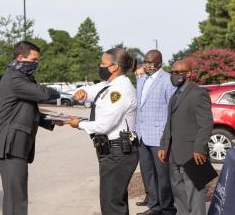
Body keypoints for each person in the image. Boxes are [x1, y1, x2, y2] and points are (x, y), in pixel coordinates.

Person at [66, 48, 139, 215]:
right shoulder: (109, 85)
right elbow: (92, 92)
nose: (100, 66)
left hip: (118, 151)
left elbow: (103, 125)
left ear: (114, 67)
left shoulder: (119, 91)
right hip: (113, 151)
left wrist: (79, 123)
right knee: (114, 201)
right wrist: (82, 94)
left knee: (111, 205)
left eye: (102, 63)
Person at [0, 41, 60, 215]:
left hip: (15, 146)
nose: (36, 64)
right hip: (10, 146)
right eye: (33, 59)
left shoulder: (20, 77)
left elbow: (26, 111)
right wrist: (60, 92)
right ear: (20, 57)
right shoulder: (14, 78)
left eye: (38, 60)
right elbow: (42, 93)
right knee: (17, 200)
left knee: (15, 198)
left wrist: (52, 120)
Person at [158, 60, 213, 215]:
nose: (174, 75)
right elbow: (169, 124)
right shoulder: (175, 95)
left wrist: (199, 149)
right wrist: (163, 146)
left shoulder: (199, 93)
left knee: (195, 198)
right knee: (179, 196)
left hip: (194, 155)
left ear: (189, 73)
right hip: (174, 154)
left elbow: (206, 125)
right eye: (172, 72)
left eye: (178, 72)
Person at [135, 50, 176, 215]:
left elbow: (172, 110)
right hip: (142, 136)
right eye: (145, 61)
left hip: (159, 136)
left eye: (150, 62)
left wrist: (167, 137)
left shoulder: (167, 80)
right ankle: (154, 206)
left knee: (163, 175)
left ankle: (167, 208)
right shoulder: (141, 80)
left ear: (159, 63)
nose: (146, 65)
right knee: (148, 173)